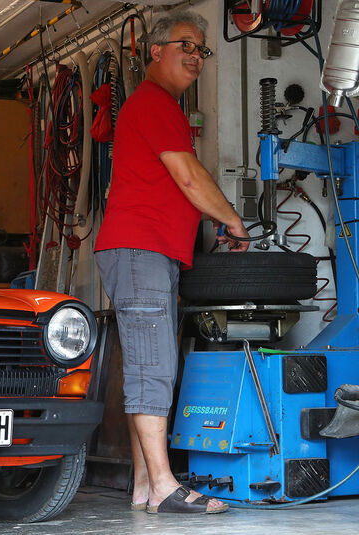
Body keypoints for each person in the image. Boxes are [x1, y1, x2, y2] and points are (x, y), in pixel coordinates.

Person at [93, 11, 249, 514]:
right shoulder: (154, 103)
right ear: (154, 50)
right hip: (140, 251)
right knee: (153, 366)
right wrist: (233, 219)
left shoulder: (163, 109)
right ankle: (163, 485)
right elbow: (188, 176)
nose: (197, 56)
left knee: (150, 362)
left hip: (149, 253)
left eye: (203, 49)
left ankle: (145, 486)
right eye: (187, 44)